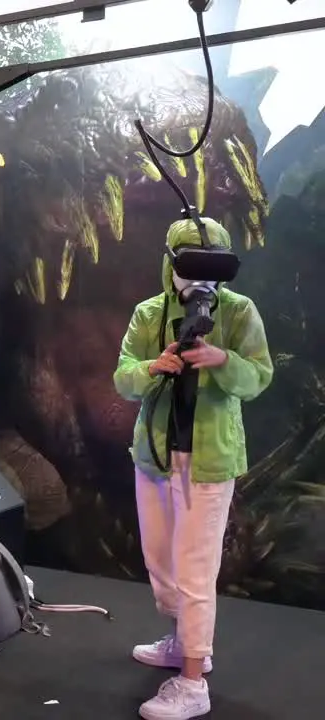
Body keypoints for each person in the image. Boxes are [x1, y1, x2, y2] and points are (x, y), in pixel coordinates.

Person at [113, 218, 272, 720]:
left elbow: (258, 376)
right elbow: (122, 379)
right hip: (155, 457)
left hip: (209, 459)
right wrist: (151, 368)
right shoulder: (148, 314)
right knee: (162, 563)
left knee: (196, 570)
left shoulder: (240, 312)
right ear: (171, 264)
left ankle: (193, 679)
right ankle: (182, 641)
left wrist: (222, 359)